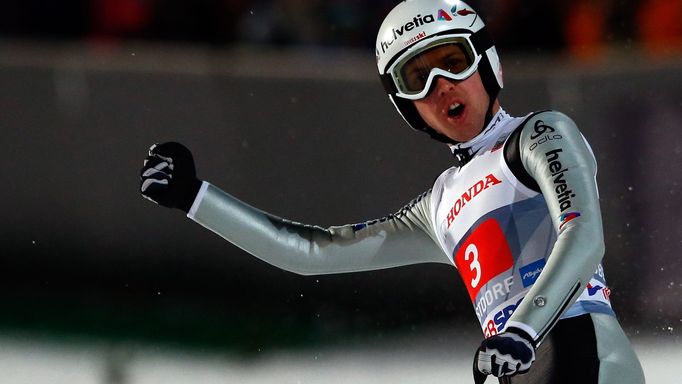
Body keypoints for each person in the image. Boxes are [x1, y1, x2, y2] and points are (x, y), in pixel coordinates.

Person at [139, 1, 645, 383]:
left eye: (453, 60)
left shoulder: (539, 134)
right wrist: (195, 198)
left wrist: (521, 331)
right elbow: (311, 253)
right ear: (407, 106)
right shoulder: (438, 206)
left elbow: (583, 237)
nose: (443, 85)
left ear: (488, 64)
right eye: (418, 78)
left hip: (584, 354)